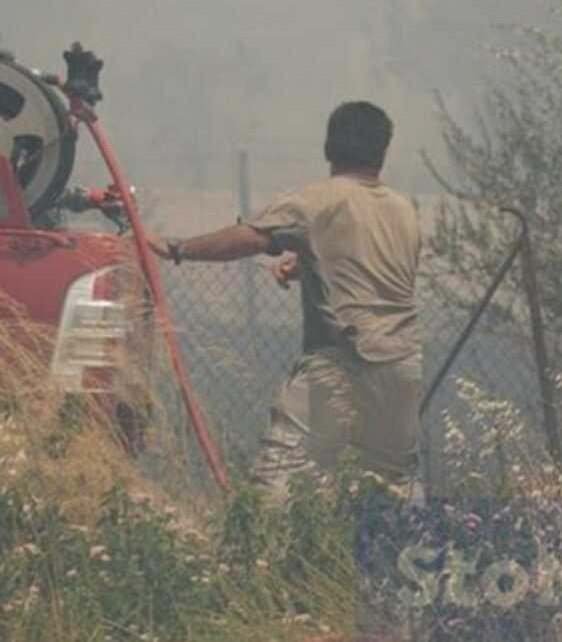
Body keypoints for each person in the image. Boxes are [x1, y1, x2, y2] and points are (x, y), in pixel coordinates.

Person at [149, 101, 423, 504]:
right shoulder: (404, 209)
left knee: (278, 477)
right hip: (403, 366)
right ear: (383, 149)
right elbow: (367, 267)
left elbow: (248, 238)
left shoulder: (318, 200)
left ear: (330, 147)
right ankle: (395, 563)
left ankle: (267, 561)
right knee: (390, 488)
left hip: (343, 360)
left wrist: (178, 249)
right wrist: (302, 265)